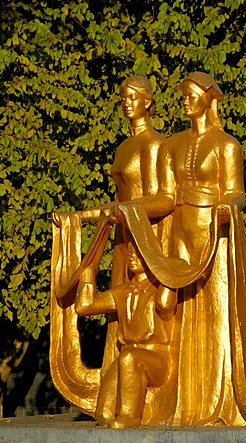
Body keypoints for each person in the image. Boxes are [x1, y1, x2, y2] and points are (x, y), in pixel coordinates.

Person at [121, 71, 246, 426]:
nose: (185, 99)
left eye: (190, 93)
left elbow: (237, 192)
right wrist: (127, 209)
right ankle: (177, 398)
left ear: (208, 98)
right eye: (182, 94)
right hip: (180, 234)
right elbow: (165, 198)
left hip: (213, 231)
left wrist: (227, 206)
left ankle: (217, 398)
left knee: (216, 312)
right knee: (170, 308)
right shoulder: (172, 145)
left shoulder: (226, 145)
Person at [50, 76, 169, 419]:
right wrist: (79, 217)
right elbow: (118, 201)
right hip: (122, 238)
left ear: (148, 101)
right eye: (123, 97)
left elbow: (165, 198)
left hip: (146, 236)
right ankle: (120, 392)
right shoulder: (122, 148)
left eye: (134, 96)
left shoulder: (154, 145)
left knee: (147, 307)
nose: (127, 102)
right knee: (119, 312)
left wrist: (126, 212)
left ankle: (143, 394)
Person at [75, 241, 177, 428]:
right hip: (128, 356)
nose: (131, 257)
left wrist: (169, 274)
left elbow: (165, 304)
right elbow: (85, 306)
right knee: (104, 414)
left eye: (138, 253)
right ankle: (137, 406)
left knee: (129, 357)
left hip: (157, 358)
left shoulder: (160, 288)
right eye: (130, 253)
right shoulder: (122, 291)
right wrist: (89, 272)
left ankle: (131, 415)